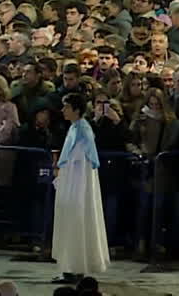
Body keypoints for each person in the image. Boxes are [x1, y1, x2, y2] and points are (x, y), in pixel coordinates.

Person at [51, 92, 109, 282]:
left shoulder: (81, 130)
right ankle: (71, 265)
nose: (63, 110)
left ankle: (75, 267)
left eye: (66, 106)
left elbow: (78, 160)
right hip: (73, 181)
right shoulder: (76, 128)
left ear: (76, 109)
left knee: (76, 221)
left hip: (77, 184)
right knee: (72, 221)